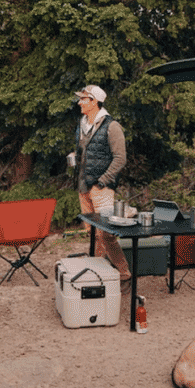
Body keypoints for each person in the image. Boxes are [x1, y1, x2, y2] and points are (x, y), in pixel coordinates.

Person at [73, 85, 131, 283]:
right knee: (92, 234)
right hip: (83, 187)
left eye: (84, 99)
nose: (80, 102)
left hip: (102, 188)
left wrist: (102, 182)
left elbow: (120, 158)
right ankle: (100, 275)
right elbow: (85, 153)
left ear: (94, 101)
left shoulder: (112, 126)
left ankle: (124, 274)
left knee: (106, 234)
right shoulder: (82, 124)